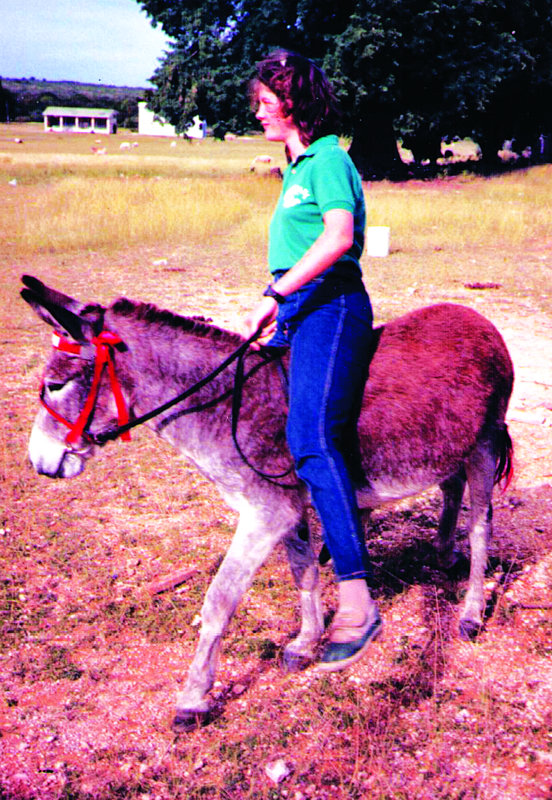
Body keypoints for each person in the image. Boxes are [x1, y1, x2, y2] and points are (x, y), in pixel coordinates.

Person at [243, 50, 382, 671]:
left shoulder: (328, 160)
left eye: (266, 103)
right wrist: (278, 301)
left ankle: (357, 602)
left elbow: (338, 238)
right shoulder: (294, 168)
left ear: (294, 101)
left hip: (333, 306)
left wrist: (278, 293)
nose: (258, 113)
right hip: (297, 305)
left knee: (311, 438)